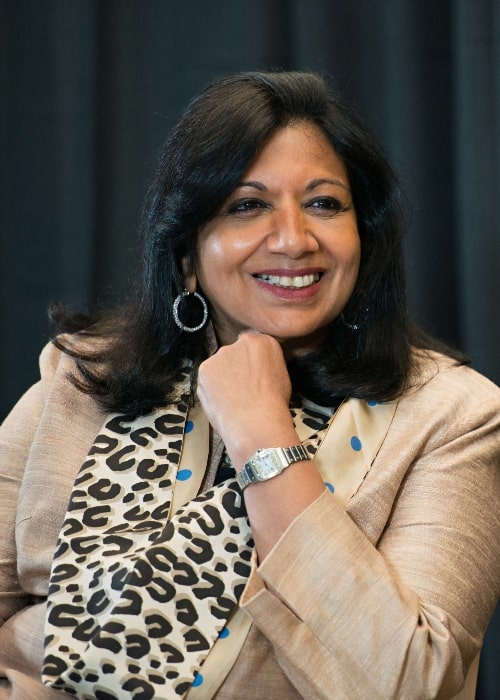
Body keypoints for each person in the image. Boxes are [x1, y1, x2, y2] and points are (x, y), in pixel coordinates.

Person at [0, 71, 498, 700]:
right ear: (187, 251)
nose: (293, 239)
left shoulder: (454, 417)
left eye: (324, 203)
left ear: (364, 239)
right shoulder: (81, 376)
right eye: (247, 205)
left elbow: (412, 683)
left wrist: (262, 433)